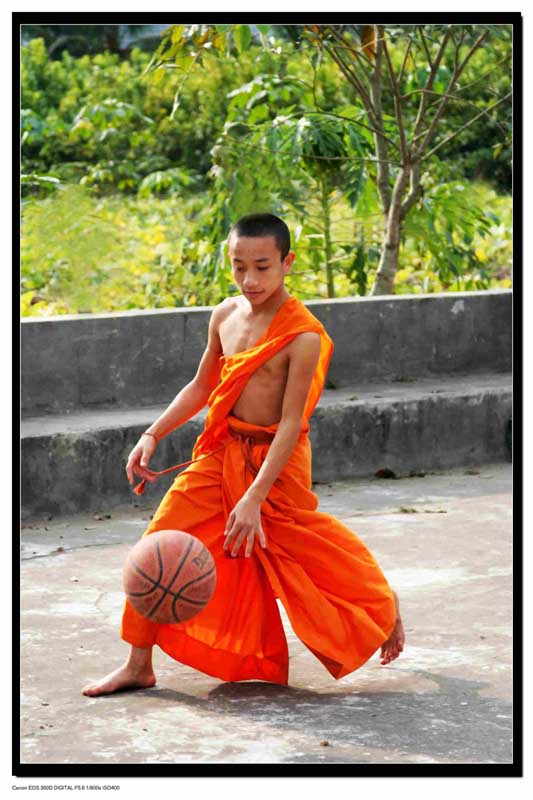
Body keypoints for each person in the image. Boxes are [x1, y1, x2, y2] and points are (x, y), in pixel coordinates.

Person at [82, 213, 404, 697]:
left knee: (306, 554)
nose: (250, 280)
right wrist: (152, 433)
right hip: (224, 452)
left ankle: (381, 607)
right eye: (238, 267)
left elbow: (292, 425)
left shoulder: (303, 336)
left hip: (278, 463)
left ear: (286, 263)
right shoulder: (225, 315)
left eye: (262, 267)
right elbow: (202, 386)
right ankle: (138, 663)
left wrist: (253, 498)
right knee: (160, 542)